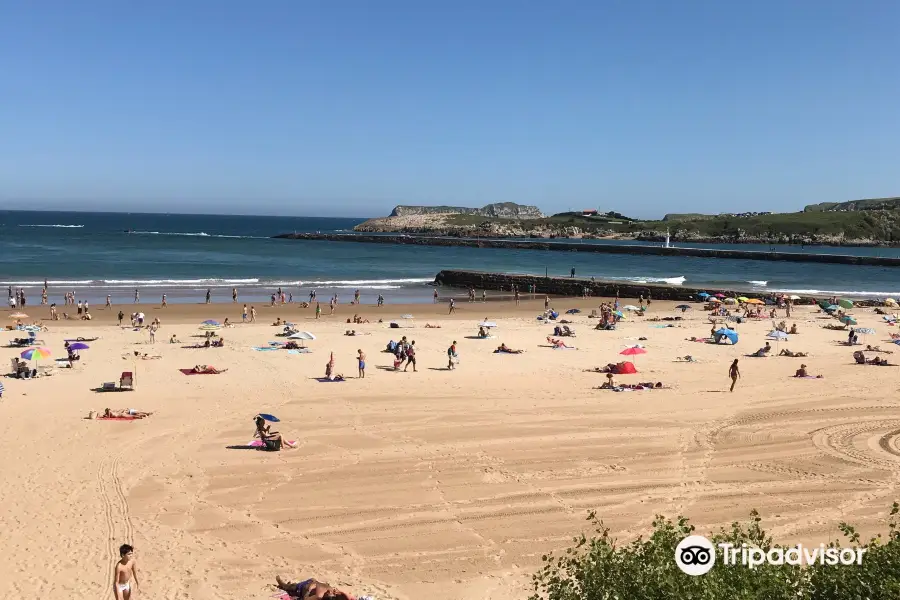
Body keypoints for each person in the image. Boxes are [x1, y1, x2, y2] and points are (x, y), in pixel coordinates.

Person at [275, 575, 356, 600]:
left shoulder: (319, 596)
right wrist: (341, 592)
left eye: (330, 593)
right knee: (293, 587)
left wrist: (308, 591)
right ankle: (285, 586)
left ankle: (285, 586)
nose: (332, 592)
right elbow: (352, 597)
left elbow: (306, 599)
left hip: (305, 588)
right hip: (310, 584)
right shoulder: (333, 592)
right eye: (334, 593)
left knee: (294, 588)